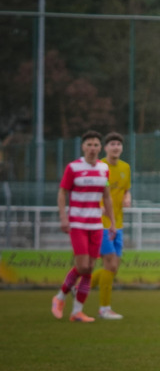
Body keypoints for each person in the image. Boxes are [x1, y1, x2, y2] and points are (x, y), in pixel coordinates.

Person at [51, 130, 115, 323]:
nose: (92, 148)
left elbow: (107, 196)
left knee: (89, 268)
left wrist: (111, 222)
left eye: (96, 145)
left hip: (96, 224)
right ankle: (60, 297)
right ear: (83, 147)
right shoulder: (74, 168)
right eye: (89, 144)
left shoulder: (104, 169)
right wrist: (63, 217)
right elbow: (62, 193)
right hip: (77, 223)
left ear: (100, 148)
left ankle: (77, 312)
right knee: (82, 266)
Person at [91, 132, 132, 319]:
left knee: (113, 268)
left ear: (121, 148)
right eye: (112, 144)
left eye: (118, 144)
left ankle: (80, 286)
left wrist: (127, 197)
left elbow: (126, 189)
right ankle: (104, 308)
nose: (116, 147)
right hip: (102, 224)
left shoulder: (126, 167)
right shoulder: (100, 167)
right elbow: (97, 191)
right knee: (110, 265)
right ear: (105, 148)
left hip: (119, 224)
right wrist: (99, 207)